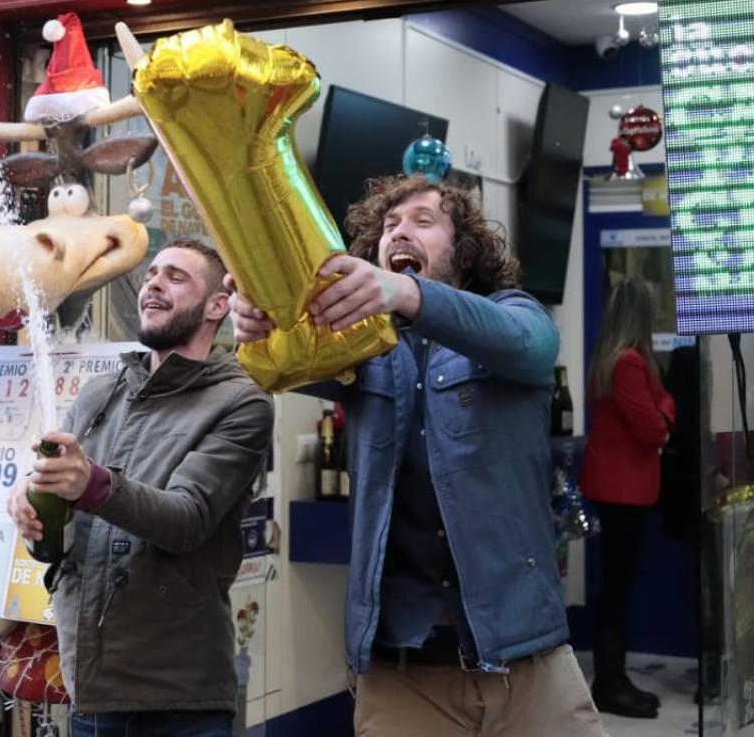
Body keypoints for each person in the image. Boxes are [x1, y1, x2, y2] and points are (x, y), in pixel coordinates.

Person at [230, 175, 605, 737]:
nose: (399, 232)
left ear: (465, 250)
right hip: (402, 676)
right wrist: (256, 328)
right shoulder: (360, 344)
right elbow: (281, 360)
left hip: (528, 665)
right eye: (389, 226)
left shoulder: (512, 312)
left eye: (422, 222)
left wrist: (406, 295)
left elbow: (530, 344)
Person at [8, 238, 274, 737]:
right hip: (90, 689)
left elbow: (185, 519)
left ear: (218, 305)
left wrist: (92, 484)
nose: (153, 282)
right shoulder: (99, 393)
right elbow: (58, 541)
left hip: (180, 701)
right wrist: (31, 502)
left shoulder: (242, 403)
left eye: (176, 276)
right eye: (152, 273)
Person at [578, 278, 674, 718]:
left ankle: (612, 679)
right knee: (617, 591)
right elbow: (653, 426)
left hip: (613, 488)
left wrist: (663, 407)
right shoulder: (630, 362)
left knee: (613, 588)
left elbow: (660, 405)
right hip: (625, 490)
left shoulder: (607, 359)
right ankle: (610, 684)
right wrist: (667, 415)